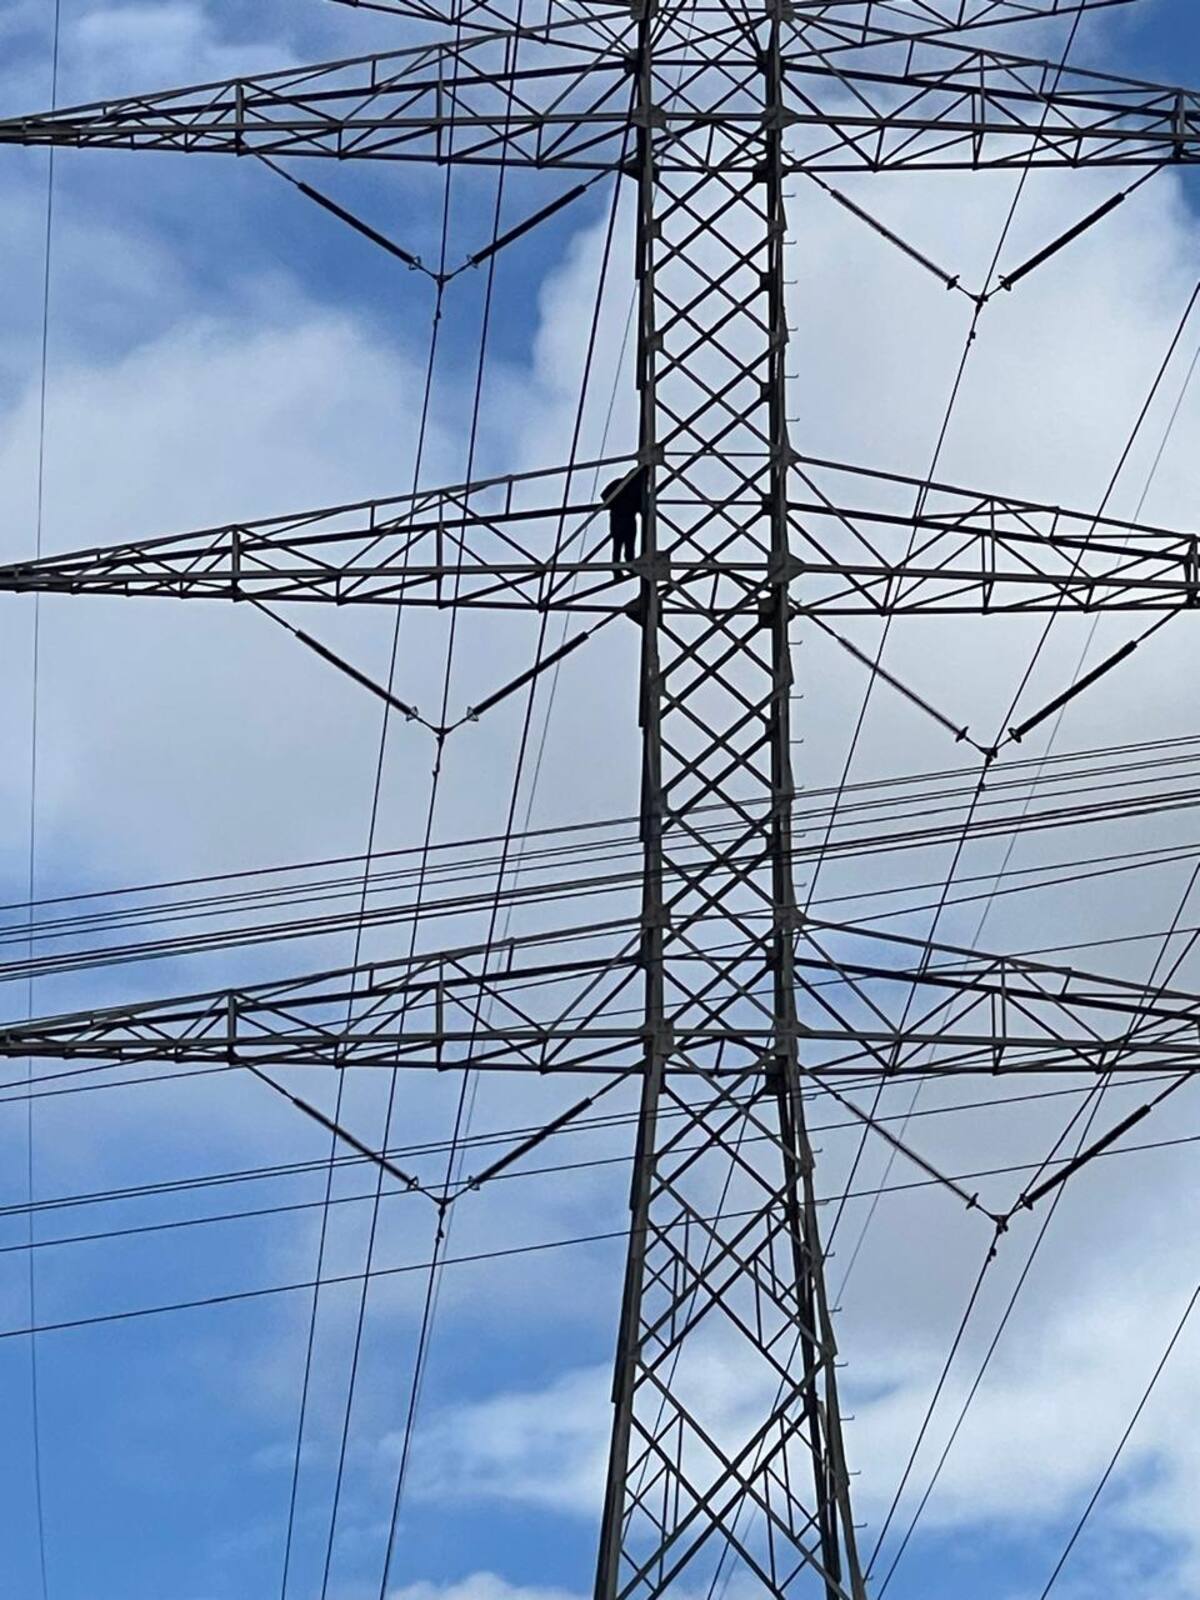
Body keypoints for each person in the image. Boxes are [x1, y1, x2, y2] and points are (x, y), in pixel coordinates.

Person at [601, 468, 645, 576]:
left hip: (628, 519)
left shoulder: (638, 489)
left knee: (628, 545)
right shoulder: (621, 484)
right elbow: (605, 496)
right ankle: (617, 568)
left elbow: (642, 507)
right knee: (618, 544)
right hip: (619, 518)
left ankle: (628, 564)